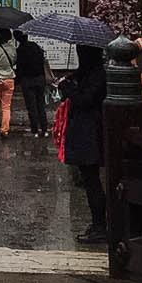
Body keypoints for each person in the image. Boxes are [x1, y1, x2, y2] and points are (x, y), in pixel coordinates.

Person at [55, 44, 109, 243]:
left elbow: (85, 100)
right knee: (89, 180)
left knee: (92, 181)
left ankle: (100, 225)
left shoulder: (98, 76)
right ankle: (98, 224)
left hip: (89, 133)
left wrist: (69, 88)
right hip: (84, 131)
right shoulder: (90, 73)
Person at [14, 31, 52, 137]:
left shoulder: (19, 51)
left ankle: (35, 130)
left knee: (31, 106)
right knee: (40, 104)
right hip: (40, 79)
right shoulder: (35, 46)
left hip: (27, 81)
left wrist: (17, 80)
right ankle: (44, 129)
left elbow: (20, 69)